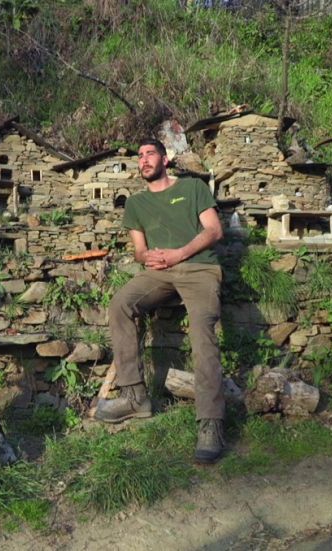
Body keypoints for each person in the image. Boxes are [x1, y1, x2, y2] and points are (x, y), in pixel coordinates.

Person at [95, 139, 226, 464]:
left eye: (149, 153)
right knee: (120, 304)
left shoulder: (193, 187)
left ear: (165, 159)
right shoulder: (136, 204)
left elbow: (214, 230)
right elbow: (138, 249)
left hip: (199, 268)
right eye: (139, 156)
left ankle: (210, 423)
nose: (143, 160)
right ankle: (135, 396)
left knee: (201, 332)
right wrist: (148, 256)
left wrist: (179, 253)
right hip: (159, 272)